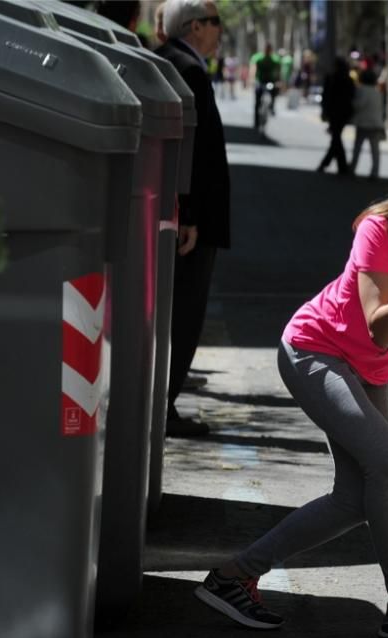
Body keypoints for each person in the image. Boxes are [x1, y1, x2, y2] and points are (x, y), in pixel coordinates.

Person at [193, 131, 388, 638]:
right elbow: (380, 327)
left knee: (358, 498)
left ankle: (235, 576)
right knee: (386, 462)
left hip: (370, 371)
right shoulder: (380, 232)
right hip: (315, 350)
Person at [158, 0, 230, 438]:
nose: (221, 31)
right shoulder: (187, 68)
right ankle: (163, 405)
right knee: (183, 313)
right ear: (196, 26)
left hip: (182, 215)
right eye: (217, 22)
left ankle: (161, 403)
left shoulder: (170, 62)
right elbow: (192, 152)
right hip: (189, 222)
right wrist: (191, 215)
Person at [316, 57, 355, 175]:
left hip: (334, 113)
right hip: (344, 113)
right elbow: (352, 96)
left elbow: (326, 96)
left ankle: (332, 165)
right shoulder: (348, 80)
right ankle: (338, 166)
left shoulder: (332, 78)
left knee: (336, 139)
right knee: (336, 138)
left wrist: (324, 111)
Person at [349, 68, 385, 179]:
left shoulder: (361, 90)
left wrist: (352, 104)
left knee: (357, 148)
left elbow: (359, 105)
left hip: (363, 123)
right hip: (375, 123)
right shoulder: (377, 92)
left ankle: (352, 168)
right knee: (375, 150)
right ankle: (375, 171)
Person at [250, 43, 281, 130]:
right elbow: (253, 68)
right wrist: (252, 79)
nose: (267, 51)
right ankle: (256, 122)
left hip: (270, 81)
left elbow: (278, 71)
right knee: (257, 101)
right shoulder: (257, 57)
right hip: (260, 80)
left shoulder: (275, 59)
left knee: (274, 91)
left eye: (269, 49)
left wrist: (279, 81)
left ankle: (272, 106)